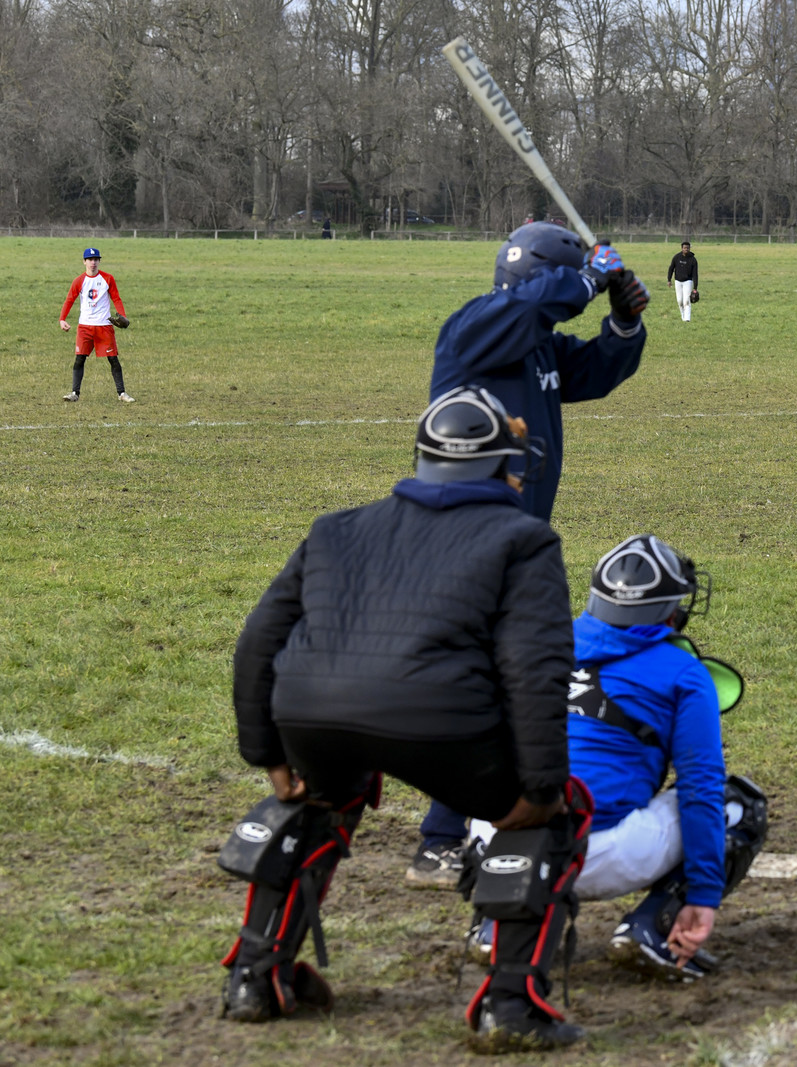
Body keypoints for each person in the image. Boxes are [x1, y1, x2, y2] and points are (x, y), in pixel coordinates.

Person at [220, 386, 589, 1053]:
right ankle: (510, 1001)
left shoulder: (335, 526)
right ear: (502, 466)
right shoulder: (524, 537)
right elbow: (535, 670)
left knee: (319, 798)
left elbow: (258, 641)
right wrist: (539, 788)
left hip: (313, 714)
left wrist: (267, 755)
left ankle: (254, 974)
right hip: (445, 725)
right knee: (556, 814)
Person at [411, 223, 650, 889]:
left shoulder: (534, 344)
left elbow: (595, 372)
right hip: (467, 536)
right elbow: (526, 309)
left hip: (521, 539)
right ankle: (439, 837)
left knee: (513, 674)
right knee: (489, 677)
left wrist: (623, 321)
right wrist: (588, 279)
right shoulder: (477, 328)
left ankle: (460, 828)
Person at [465, 534, 768, 982]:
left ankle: (498, 920)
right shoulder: (684, 673)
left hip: (500, 843)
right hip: (601, 854)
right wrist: (704, 897)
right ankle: (653, 926)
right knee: (738, 805)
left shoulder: (537, 643)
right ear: (669, 609)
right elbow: (700, 786)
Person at [59, 247, 133, 403]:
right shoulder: (79, 281)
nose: (93, 262)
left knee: (113, 359)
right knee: (79, 359)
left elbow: (116, 299)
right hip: (85, 326)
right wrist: (62, 319)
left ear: (99, 261)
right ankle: (75, 393)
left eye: (96, 259)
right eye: (90, 260)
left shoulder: (108, 279)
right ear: (84, 262)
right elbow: (69, 300)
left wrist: (122, 315)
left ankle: (122, 393)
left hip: (104, 326)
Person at [667, 241, 699, 321]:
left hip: (688, 281)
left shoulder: (693, 260)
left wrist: (695, 287)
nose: (686, 249)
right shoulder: (676, 257)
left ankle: (687, 319)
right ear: (682, 248)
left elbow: (695, 274)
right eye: (685, 248)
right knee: (680, 301)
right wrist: (669, 280)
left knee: (686, 300)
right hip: (678, 281)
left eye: (688, 248)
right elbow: (671, 268)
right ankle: (683, 316)